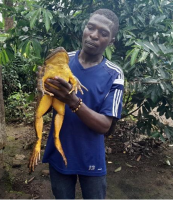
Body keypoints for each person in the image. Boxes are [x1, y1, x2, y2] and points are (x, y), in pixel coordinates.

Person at [37, 8, 124, 200]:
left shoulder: (114, 74)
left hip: (91, 157)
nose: (94, 35)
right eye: (90, 28)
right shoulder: (62, 62)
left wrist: (73, 101)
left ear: (111, 41)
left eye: (103, 33)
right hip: (60, 152)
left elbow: (105, 125)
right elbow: (45, 108)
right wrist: (42, 89)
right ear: (84, 29)